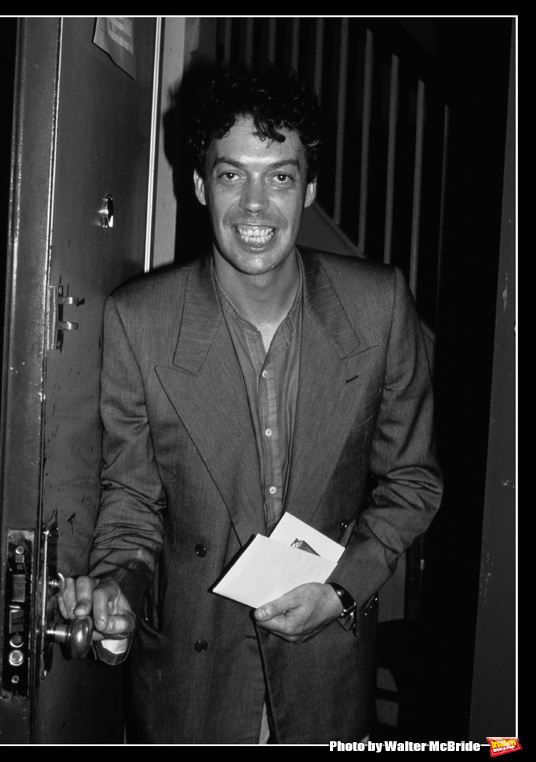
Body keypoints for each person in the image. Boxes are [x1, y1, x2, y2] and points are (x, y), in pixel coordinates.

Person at [58, 62, 443, 744]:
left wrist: (344, 588)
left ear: (310, 187)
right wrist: (116, 585)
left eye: (281, 176)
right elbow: (133, 503)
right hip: (190, 684)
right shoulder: (139, 322)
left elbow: (413, 481)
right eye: (233, 174)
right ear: (201, 185)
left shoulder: (378, 306)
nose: (257, 207)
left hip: (327, 667)